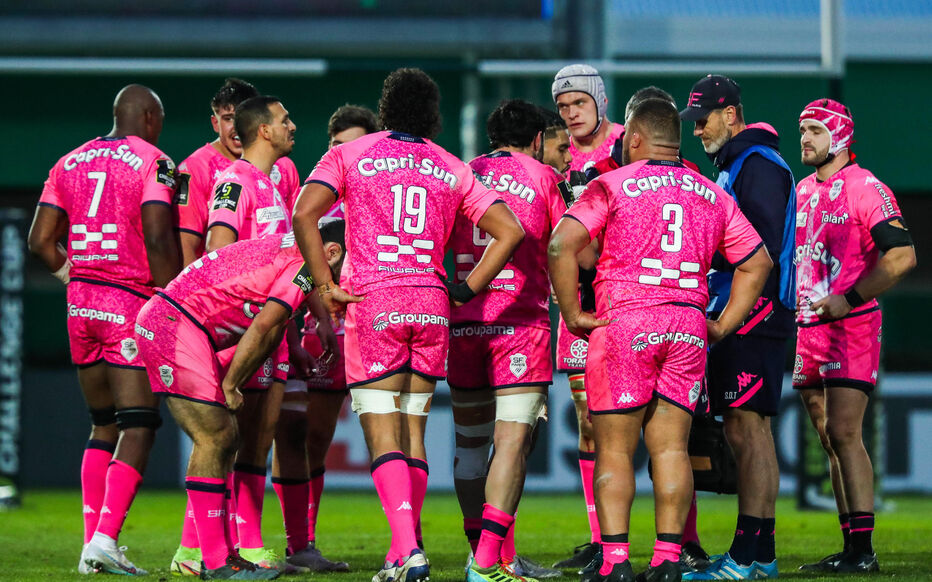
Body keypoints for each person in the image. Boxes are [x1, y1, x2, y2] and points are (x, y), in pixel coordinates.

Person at [292, 67, 525, 582]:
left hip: (374, 299)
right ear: (434, 116)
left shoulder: (351, 154)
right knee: (414, 429)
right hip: (430, 303)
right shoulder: (452, 166)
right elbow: (509, 231)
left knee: (382, 431)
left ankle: (406, 550)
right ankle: (404, 551)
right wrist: (465, 289)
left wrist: (325, 285)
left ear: (386, 108)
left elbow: (304, 213)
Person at [548, 98, 772, 582]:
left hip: (625, 321)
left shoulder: (612, 184)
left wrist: (573, 313)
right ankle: (668, 561)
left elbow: (560, 244)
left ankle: (615, 562)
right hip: (687, 327)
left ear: (632, 138)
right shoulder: (710, 193)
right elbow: (758, 262)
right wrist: (721, 325)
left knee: (614, 448)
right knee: (671, 449)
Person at [28, 84, 181, 576]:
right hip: (130, 302)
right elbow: (158, 236)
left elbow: (40, 242)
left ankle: (92, 545)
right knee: (139, 423)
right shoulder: (155, 160)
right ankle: (106, 539)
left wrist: (76, 277)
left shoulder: (67, 161)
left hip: (80, 305)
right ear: (151, 117)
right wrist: (172, 301)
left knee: (102, 425)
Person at [134, 228, 340, 580]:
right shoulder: (306, 266)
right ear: (332, 253)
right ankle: (212, 562)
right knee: (217, 435)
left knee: (225, 438)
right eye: (344, 269)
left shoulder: (292, 253)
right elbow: (263, 326)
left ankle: (220, 556)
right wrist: (231, 384)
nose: (339, 281)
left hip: (184, 323)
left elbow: (272, 328)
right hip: (175, 324)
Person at [679, 75, 797, 580]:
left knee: (748, 432)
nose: (698, 129)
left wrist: (730, 318)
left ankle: (748, 556)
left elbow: (761, 254)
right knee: (751, 432)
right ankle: (759, 553)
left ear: (732, 114)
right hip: (747, 313)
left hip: (753, 315)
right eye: (693, 121)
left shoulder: (758, 166)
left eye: (704, 118)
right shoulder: (737, 165)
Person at [794, 99, 915, 574]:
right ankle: (850, 545)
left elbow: (902, 256)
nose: (805, 138)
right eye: (802, 130)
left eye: (815, 130)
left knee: (845, 432)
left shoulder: (866, 187)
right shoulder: (803, 189)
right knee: (829, 437)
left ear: (840, 136)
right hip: (808, 327)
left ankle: (863, 551)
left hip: (850, 326)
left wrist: (851, 297)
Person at [449, 100, 566, 582]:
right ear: (537, 138)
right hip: (519, 326)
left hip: (462, 325)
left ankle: (479, 549)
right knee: (512, 445)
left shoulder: (460, 174)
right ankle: (487, 560)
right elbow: (568, 245)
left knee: (471, 447)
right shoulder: (542, 178)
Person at [272, 104, 378, 573]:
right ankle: (300, 540)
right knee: (306, 434)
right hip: (315, 326)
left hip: (372, 327)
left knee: (367, 434)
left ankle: (408, 538)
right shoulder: (315, 203)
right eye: (336, 145)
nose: (342, 153)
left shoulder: (381, 198)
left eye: (352, 144)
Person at [199, 94, 300, 571]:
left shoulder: (273, 185)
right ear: (263, 130)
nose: (292, 126)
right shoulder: (235, 181)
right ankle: (205, 547)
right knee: (228, 436)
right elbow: (218, 253)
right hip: (242, 330)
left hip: (269, 330)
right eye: (284, 120)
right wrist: (236, 327)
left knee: (258, 436)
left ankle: (243, 540)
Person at [550, 63, 624, 571]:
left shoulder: (628, 142)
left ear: (599, 100)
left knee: (663, 424)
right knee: (588, 420)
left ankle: (681, 540)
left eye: (578, 102)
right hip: (578, 306)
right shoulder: (556, 153)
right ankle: (602, 539)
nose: (571, 113)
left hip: (627, 299)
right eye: (563, 105)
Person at [174, 78, 300, 266]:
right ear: (215, 123)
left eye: (243, 118)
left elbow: (294, 233)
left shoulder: (284, 167)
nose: (237, 127)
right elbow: (189, 245)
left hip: (276, 287)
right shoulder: (195, 168)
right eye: (228, 119)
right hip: (233, 288)